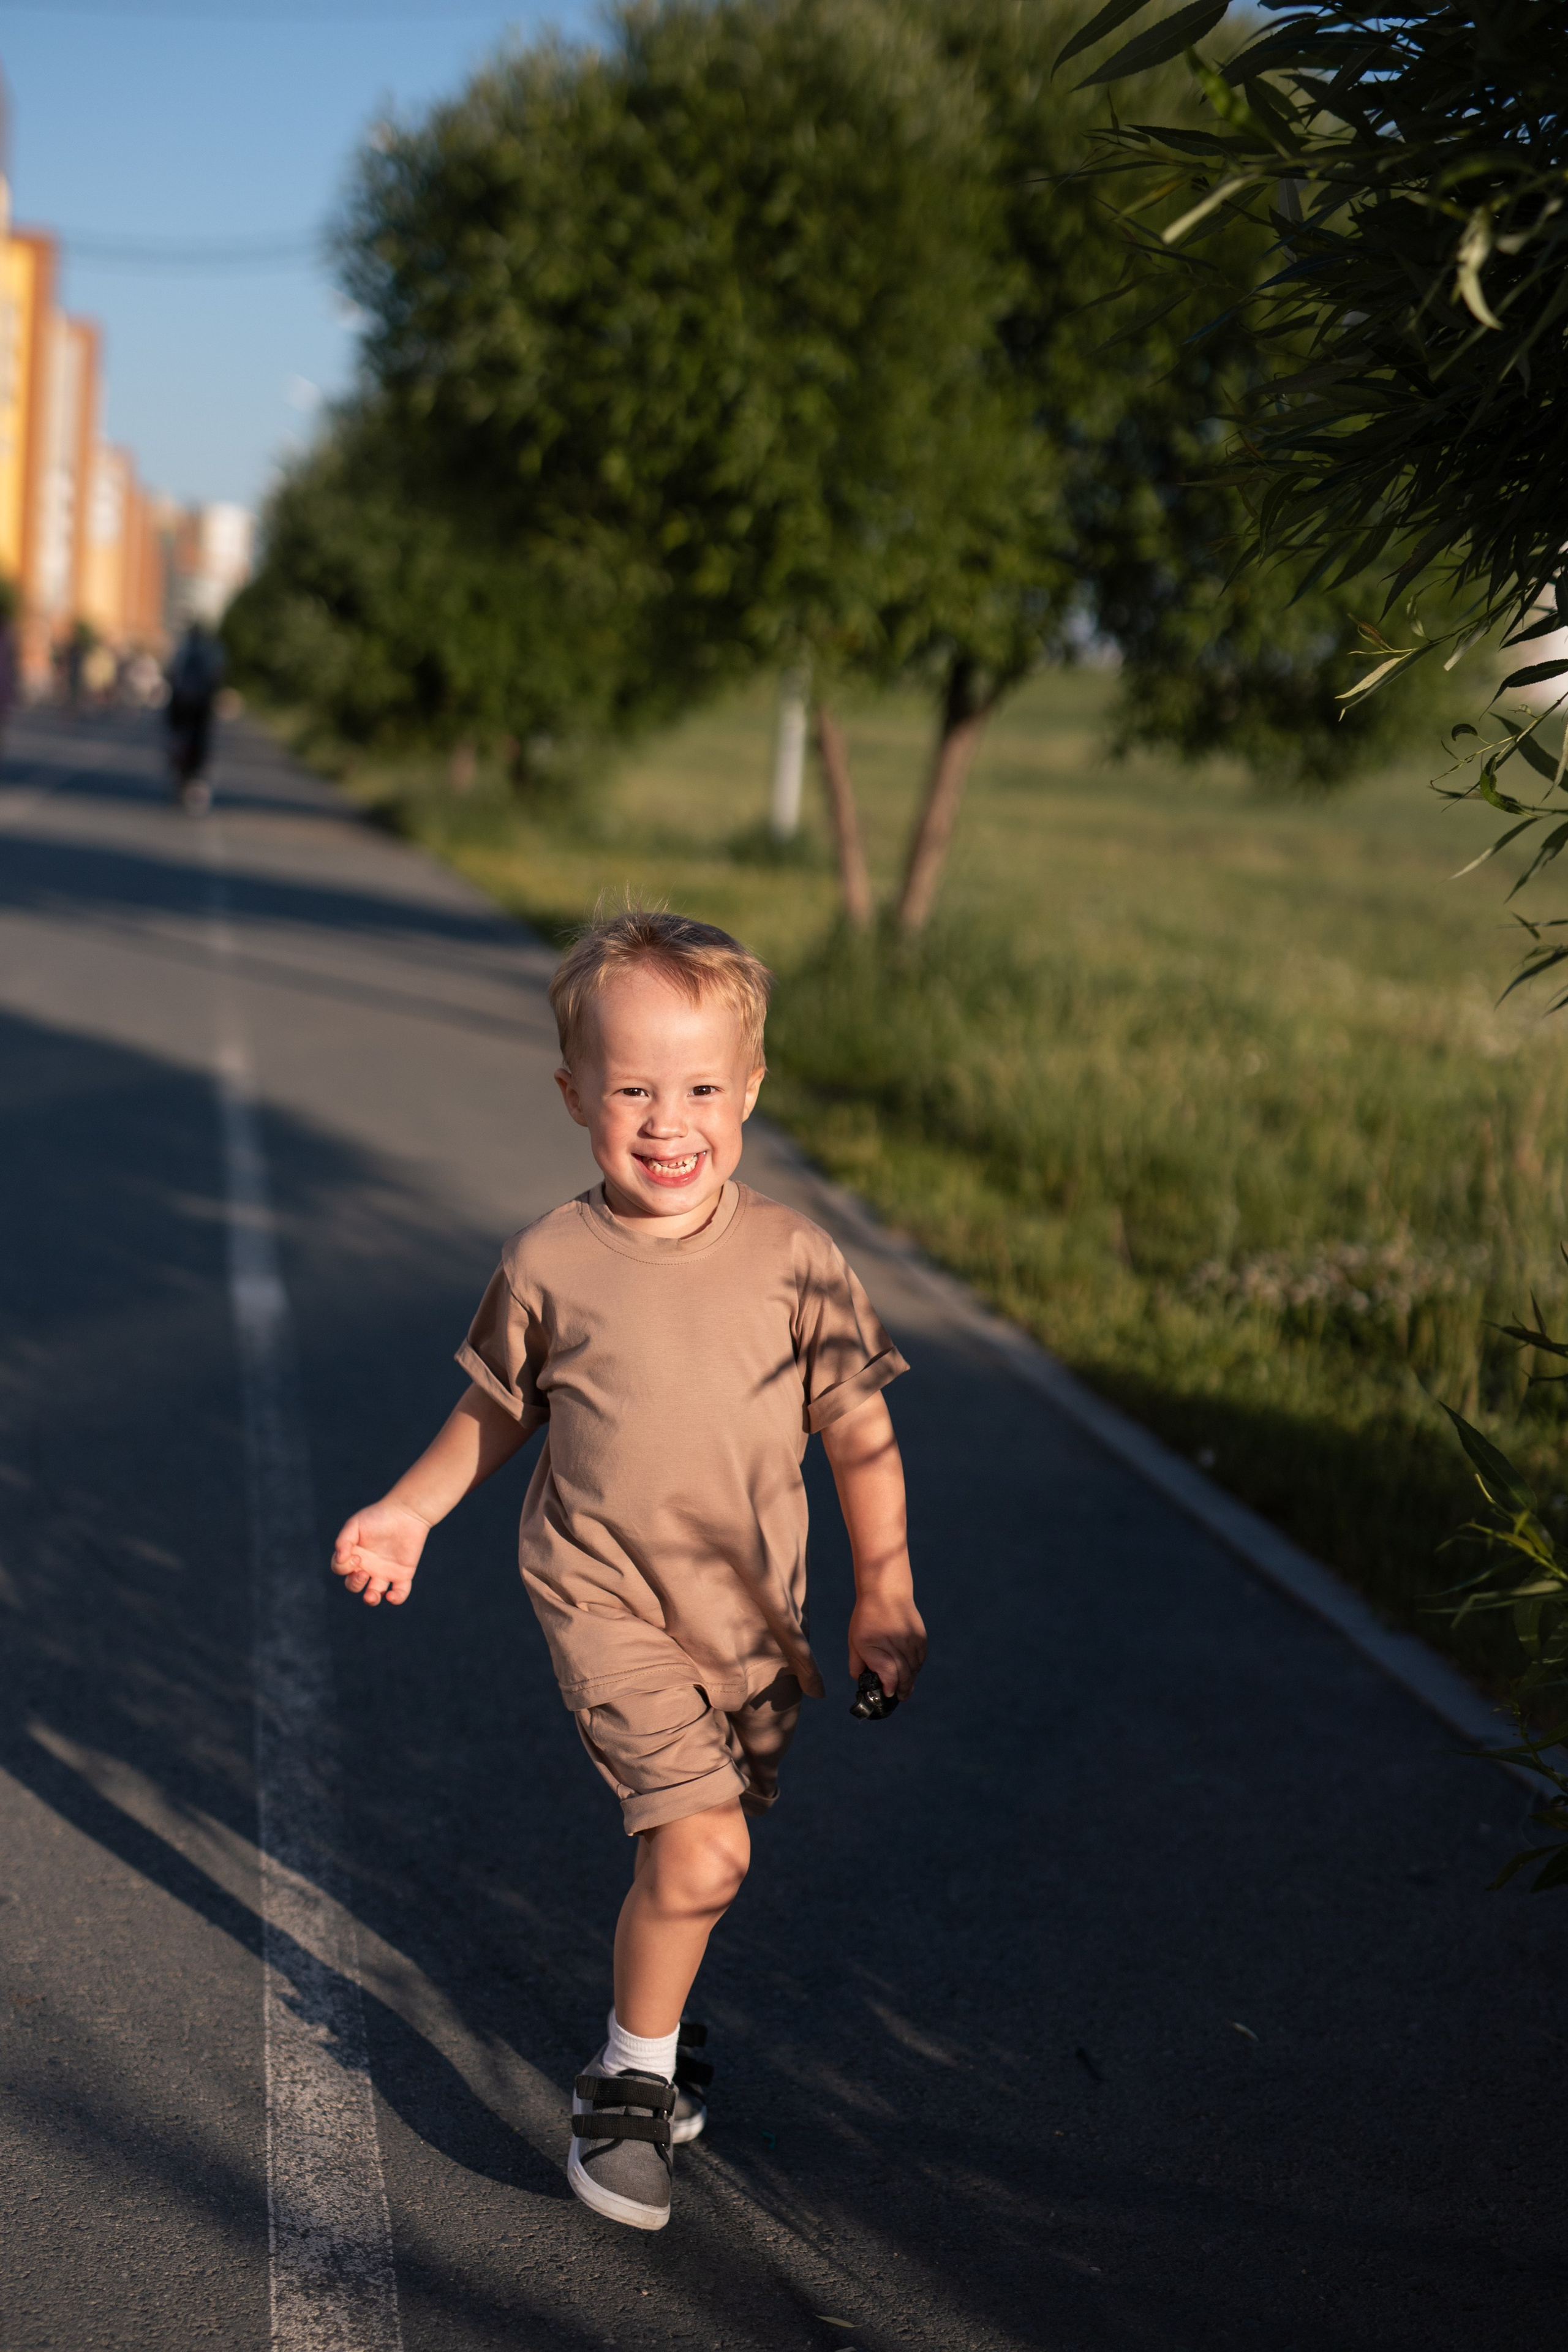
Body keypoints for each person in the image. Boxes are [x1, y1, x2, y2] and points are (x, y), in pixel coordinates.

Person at [331, 908, 926, 2233]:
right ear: (573, 1096)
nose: (670, 1122)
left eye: (703, 1088)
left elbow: (860, 1434)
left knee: (704, 1855)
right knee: (702, 1847)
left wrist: (882, 1585)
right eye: (633, 1089)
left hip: (755, 1620)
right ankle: (631, 2088)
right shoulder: (549, 1261)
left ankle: (640, 2031)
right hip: (603, 1598)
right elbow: (497, 1408)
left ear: (751, 1090)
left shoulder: (794, 1261)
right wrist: (413, 1511)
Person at [164, 622, 225, 807]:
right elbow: (217, 675)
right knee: (200, 741)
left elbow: (172, 674)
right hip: (200, 704)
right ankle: (194, 774)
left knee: (178, 736)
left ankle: (179, 762)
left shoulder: (182, 650)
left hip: (183, 703)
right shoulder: (211, 652)